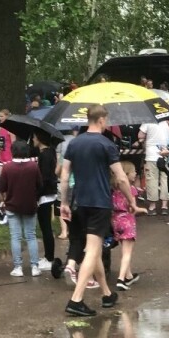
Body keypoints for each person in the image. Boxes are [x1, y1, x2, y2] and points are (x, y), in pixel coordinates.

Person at [61, 104, 135, 317]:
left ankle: (106, 294)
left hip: (79, 203)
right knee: (93, 251)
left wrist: (64, 203)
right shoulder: (106, 144)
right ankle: (76, 300)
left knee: (93, 249)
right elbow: (121, 177)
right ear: (101, 119)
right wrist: (131, 200)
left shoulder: (73, 144)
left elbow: (65, 176)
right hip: (99, 203)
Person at [0, 141, 42, 277]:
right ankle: (35, 266)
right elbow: (40, 185)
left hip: (12, 205)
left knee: (15, 237)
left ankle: (18, 267)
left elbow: (2, 187)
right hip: (30, 205)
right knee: (31, 236)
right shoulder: (33, 167)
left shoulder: (7, 168)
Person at [111, 160, 147, 290]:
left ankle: (129, 275)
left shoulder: (114, 190)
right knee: (127, 252)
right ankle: (121, 279)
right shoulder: (131, 190)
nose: (136, 174)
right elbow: (133, 208)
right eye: (133, 172)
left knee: (123, 249)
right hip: (127, 220)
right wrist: (143, 210)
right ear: (126, 174)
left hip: (116, 220)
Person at [33, 132, 58, 273]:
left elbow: (45, 177)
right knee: (44, 227)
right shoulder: (47, 153)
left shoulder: (45, 155)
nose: (34, 139)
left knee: (46, 227)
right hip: (47, 193)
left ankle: (49, 258)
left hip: (45, 195)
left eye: (35, 137)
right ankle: (48, 256)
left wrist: (37, 194)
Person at [137, 119, 169, 216]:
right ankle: (164, 206)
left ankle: (152, 206)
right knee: (165, 179)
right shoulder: (166, 122)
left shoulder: (147, 121)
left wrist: (148, 136)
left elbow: (140, 135)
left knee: (152, 179)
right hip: (165, 154)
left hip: (151, 155)